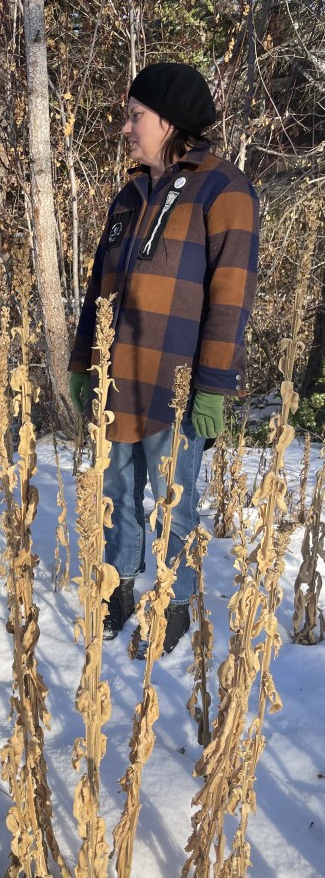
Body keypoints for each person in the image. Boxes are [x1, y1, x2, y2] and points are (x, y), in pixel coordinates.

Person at [68, 62, 259, 653]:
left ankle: (175, 597)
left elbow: (232, 296)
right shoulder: (130, 193)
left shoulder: (224, 190)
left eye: (135, 116)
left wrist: (212, 386)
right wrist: (83, 363)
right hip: (116, 376)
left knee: (174, 498)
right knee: (117, 490)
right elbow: (98, 284)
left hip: (174, 380)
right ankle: (119, 583)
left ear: (169, 121)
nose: (126, 127)